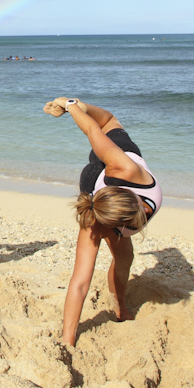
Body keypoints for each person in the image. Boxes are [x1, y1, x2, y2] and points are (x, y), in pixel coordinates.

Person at [43, 97, 162, 346]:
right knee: (122, 254)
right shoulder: (93, 220)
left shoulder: (126, 167)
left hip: (112, 163)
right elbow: (80, 282)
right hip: (92, 184)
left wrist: (72, 105)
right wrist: (68, 341)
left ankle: (120, 308)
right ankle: (117, 310)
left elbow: (96, 125)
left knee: (124, 257)